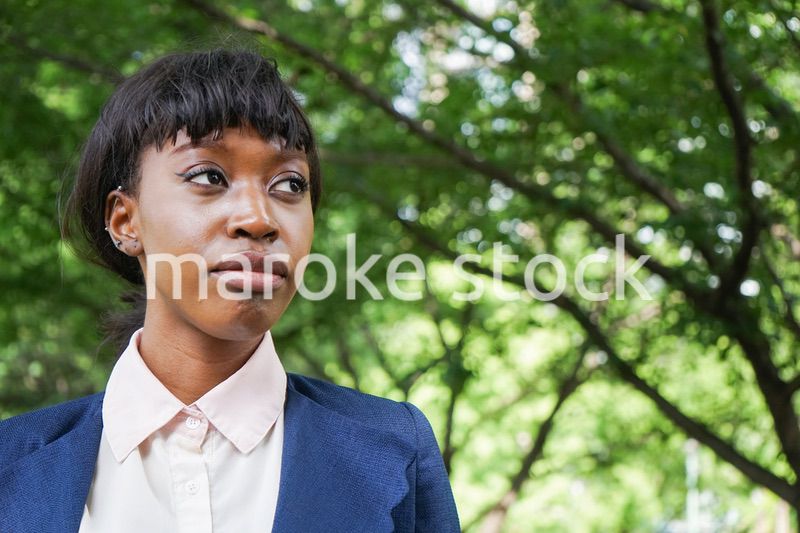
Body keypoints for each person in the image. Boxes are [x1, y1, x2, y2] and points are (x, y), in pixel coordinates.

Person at [0, 49, 460, 533]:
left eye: (289, 184)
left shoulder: (392, 451)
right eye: (208, 177)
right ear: (125, 220)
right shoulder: (11, 466)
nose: (258, 218)